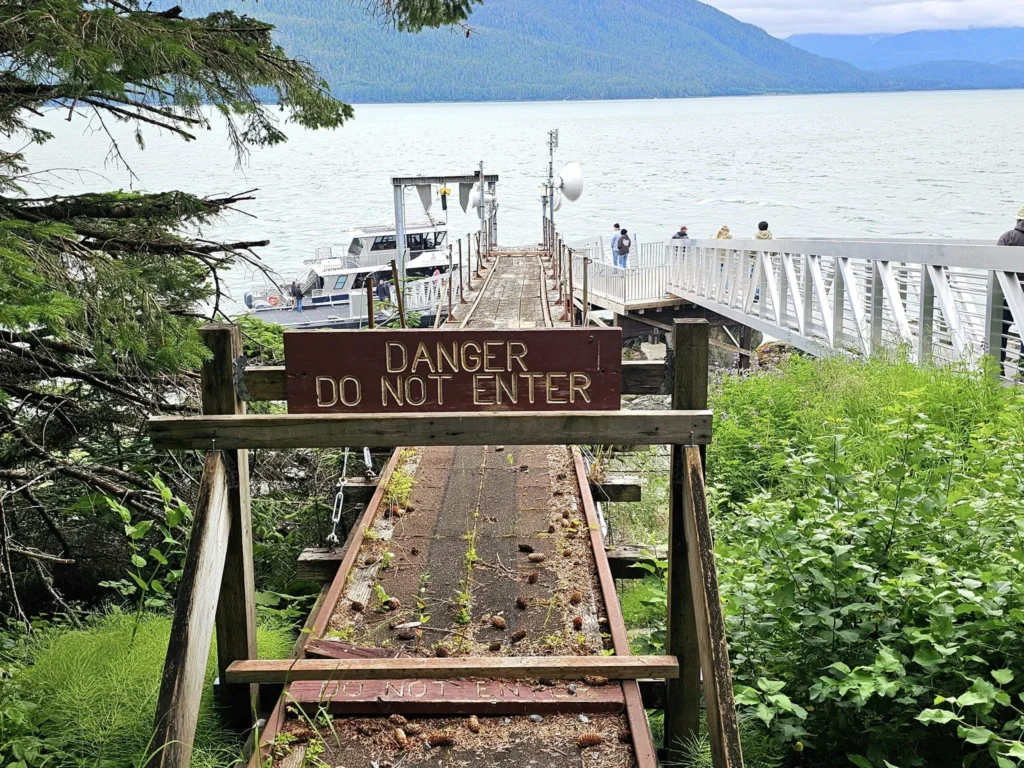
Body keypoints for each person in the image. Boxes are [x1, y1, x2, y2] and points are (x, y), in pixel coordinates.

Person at [996, 205, 1024, 367]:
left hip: (1008, 293)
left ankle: (997, 365)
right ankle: (1023, 368)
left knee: (1000, 329)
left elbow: (996, 265)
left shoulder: (1008, 238)